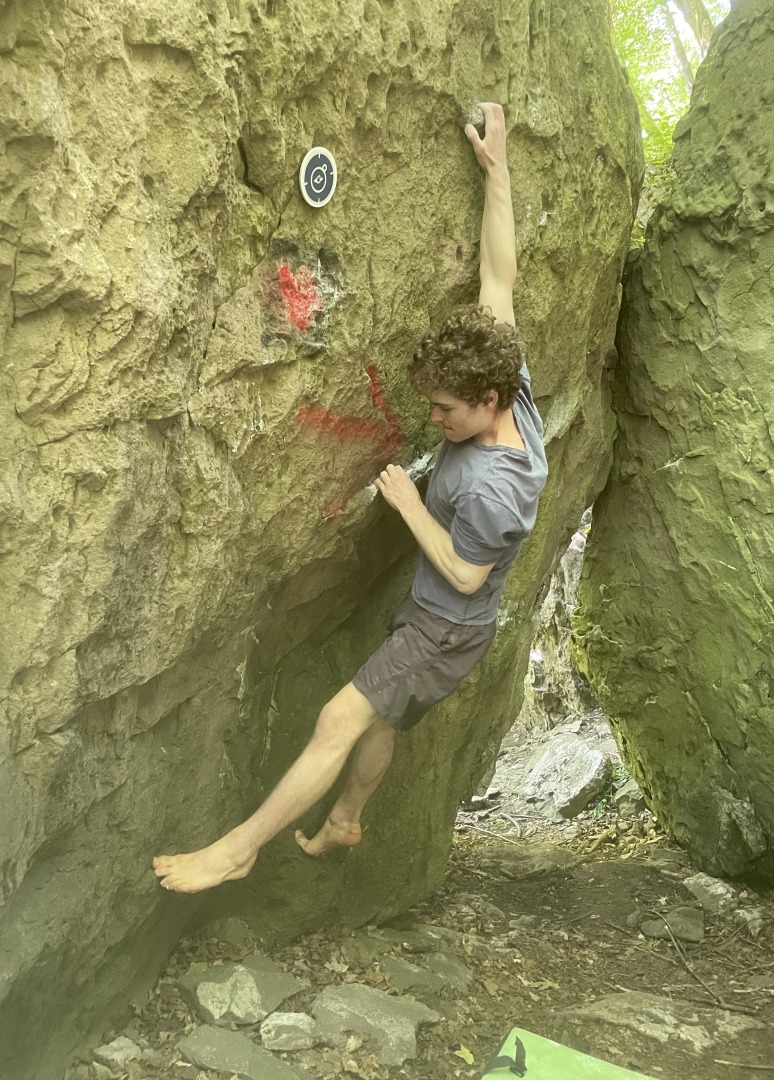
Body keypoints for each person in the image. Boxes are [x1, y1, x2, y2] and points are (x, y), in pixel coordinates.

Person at [153, 102, 548, 893]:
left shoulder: (498, 488)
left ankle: (238, 849)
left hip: (446, 624)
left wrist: (409, 505)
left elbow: (467, 575)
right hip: (445, 620)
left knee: (341, 717)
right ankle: (345, 818)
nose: (432, 421)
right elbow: (498, 276)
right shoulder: (513, 386)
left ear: (488, 398)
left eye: (444, 411)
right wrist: (497, 172)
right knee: (385, 715)